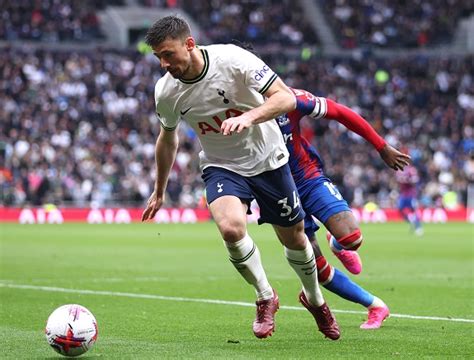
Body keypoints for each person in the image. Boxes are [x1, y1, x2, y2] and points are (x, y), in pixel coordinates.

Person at [140, 16, 340, 340]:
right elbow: (168, 138)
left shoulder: (233, 60)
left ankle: (314, 299)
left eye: (169, 54)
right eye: (158, 58)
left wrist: (249, 116)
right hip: (221, 165)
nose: (165, 64)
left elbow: (285, 98)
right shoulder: (166, 91)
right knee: (231, 228)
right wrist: (159, 190)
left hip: (268, 158)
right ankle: (265, 296)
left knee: (294, 237)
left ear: (189, 44)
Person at [277, 88, 411, 329]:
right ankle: (375, 305)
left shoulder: (290, 98)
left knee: (352, 238)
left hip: (307, 178)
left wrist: (381, 146)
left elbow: (340, 111)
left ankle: (337, 243)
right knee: (315, 267)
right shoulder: (232, 112)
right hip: (276, 191)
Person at [396, 164, 423, 235]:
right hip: (403, 194)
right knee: (400, 209)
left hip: (411, 194)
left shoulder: (411, 170)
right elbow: (398, 180)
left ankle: (418, 227)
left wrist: (407, 180)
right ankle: (410, 220)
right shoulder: (399, 170)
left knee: (413, 210)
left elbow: (416, 180)